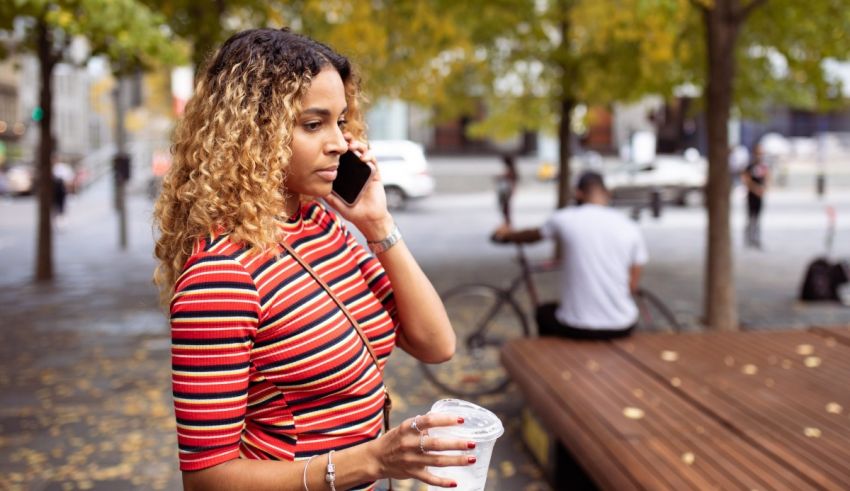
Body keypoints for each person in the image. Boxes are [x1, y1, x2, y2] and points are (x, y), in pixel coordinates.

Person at [153, 28, 468, 491]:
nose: (340, 142)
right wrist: (372, 461)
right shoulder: (221, 276)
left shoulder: (321, 228)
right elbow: (208, 479)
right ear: (253, 135)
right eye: (313, 124)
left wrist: (378, 225)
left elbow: (436, 344)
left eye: (341, 122)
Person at [491, 171, 648, 339]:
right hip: (622, 325)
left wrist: (506, 234)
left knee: (543, 313)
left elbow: (531, 236)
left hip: (577, 328)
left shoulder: (566, 218)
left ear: (578, 193)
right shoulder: (629, 226)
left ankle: (550, 360)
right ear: (606, 193)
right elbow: (632, 284)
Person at [741, 145, 770, 249]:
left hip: (759, 196)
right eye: (758, 153)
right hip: (751, 196)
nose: (760, 155)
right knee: (750, 218)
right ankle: (748, 239)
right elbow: (746, 179)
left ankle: (756, 239)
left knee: (757, 219)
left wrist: (763, 189)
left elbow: (767, 178)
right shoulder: (750, 166)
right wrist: (755, 189)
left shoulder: (763, 166)